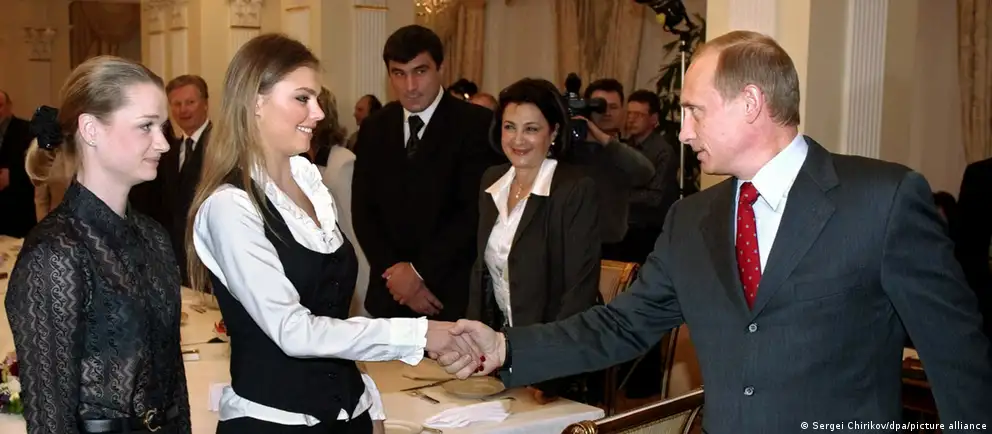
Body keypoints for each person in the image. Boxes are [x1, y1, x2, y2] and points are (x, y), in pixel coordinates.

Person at [436, 30, 992, 433]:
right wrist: (506, 345)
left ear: (750, 104)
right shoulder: (692, 219)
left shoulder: (881, 200)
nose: (684, 133)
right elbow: (620, 325)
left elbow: (957, 356)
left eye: (696, 111)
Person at [186, 34, 476, 434]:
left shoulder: (310, 184)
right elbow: (293, 330)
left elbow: (334, 313)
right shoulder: (231, 206)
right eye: (302, 98)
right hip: (275, 423)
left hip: (349, 415)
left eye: (317, 99)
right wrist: (421, 334)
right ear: (256, 101)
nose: (319, 112)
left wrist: (368, 403)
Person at [5, 56, 191, 433]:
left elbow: (174, 385)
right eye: (146, 126)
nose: (162, 143)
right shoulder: (55, 252)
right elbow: (51, 419)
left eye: (162, 127)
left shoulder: (153, 236)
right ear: (91, 129)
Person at [352, 24, 504, 321]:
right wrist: (398, 280)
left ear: (441, 68)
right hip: (389, 296)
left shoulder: (476, 125)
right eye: (399, 73)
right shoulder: (375, 127)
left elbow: (473, 213)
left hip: (448, 296)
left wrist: (418, 275)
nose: (410, 85)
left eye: (420, 71)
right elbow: (364, 213)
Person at [466, 78, 601, 404]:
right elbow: (481, 273)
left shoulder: (575, 189)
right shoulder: (492, 181)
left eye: (531, 129)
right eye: (510, 127)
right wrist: (473, 347)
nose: (518, 140)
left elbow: (579, 291)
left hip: (556, 367)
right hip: (500, 358)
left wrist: (549, 368)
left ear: (553, 132)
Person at [0, 89, 38, 237]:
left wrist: (12, 175)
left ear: (9, 106)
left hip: (20, 209)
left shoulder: (27, 130)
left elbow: (38, 167)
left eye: (0, 106)